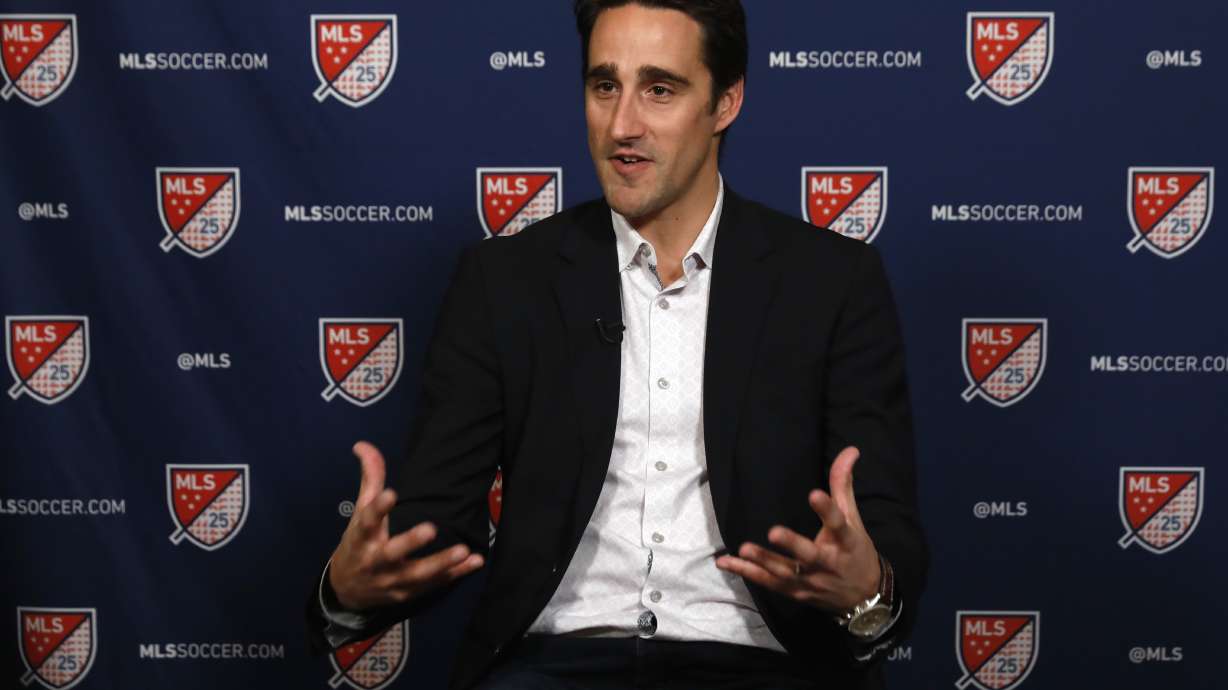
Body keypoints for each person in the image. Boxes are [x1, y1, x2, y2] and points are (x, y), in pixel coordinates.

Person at [307, 1, 927, 688]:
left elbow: (883, 536)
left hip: (757, 661)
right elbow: (431, 535)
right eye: (605, 86)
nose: (623, 125)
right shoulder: (503, 281)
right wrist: (351, 592)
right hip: (550, 661)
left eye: (659, 89)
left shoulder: (831, 282)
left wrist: (867, 594)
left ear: (726, 102)